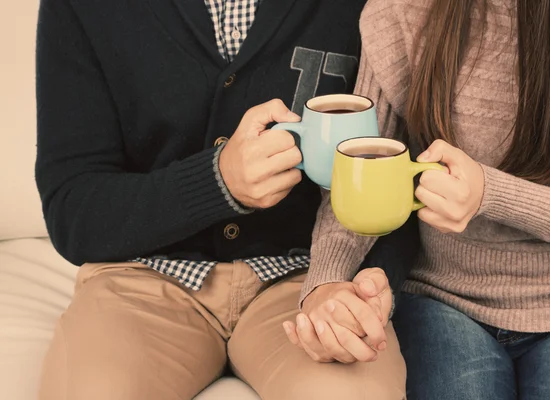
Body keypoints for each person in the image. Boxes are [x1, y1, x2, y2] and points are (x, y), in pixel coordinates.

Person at [34, 0, 407, 399]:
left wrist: (365, 284)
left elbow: (403, 164)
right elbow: (72, 210)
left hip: (310, 280)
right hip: (140, 278)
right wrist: (218, 183)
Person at [299, 0, 550, 399]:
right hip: (441, 298)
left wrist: (493, 195)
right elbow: (358, 175)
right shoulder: (403, 10)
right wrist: (325, 284)